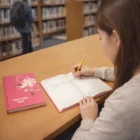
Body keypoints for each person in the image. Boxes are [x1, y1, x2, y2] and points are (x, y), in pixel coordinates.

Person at [71, 0, 140, 139]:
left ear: (115, 38)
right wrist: (95, 71)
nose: (100, 43)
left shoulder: (122, 104)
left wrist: (88, 121)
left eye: (100, 37)